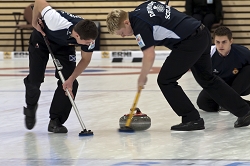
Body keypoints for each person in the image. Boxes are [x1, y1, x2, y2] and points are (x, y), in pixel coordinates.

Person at [106, 0, 250, 131]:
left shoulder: (139, 25)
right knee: (207, 78)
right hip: (201, 32)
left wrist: (142, 77)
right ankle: (245, 112)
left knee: (165, 80)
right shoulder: (143, 7)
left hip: (189, 41)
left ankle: (191, 118)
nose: (123, 36)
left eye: (122, 33)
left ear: (126, 23)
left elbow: (149, 55)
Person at [23, 0, 98, 133]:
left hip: (63, 47)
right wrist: (35, 23)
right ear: (77, 35)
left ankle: (55, 121)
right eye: (86, 42)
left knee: (71, 84)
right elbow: (39, 2)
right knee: (35, 80)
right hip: (42, 38)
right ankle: (30, 106)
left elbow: (85, 60)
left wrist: (70, 79)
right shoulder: (55, 20)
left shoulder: (89, 36)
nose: (89, 44)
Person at [197, 26, 250, 112]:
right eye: (217, 42)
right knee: (202, 102)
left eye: (224, 42)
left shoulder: (242, 52)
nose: (220, 45)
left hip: (238, 85)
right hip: (219, 85)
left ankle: (228, 103)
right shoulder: (208, 54)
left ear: (231, 41)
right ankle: (232, 105)